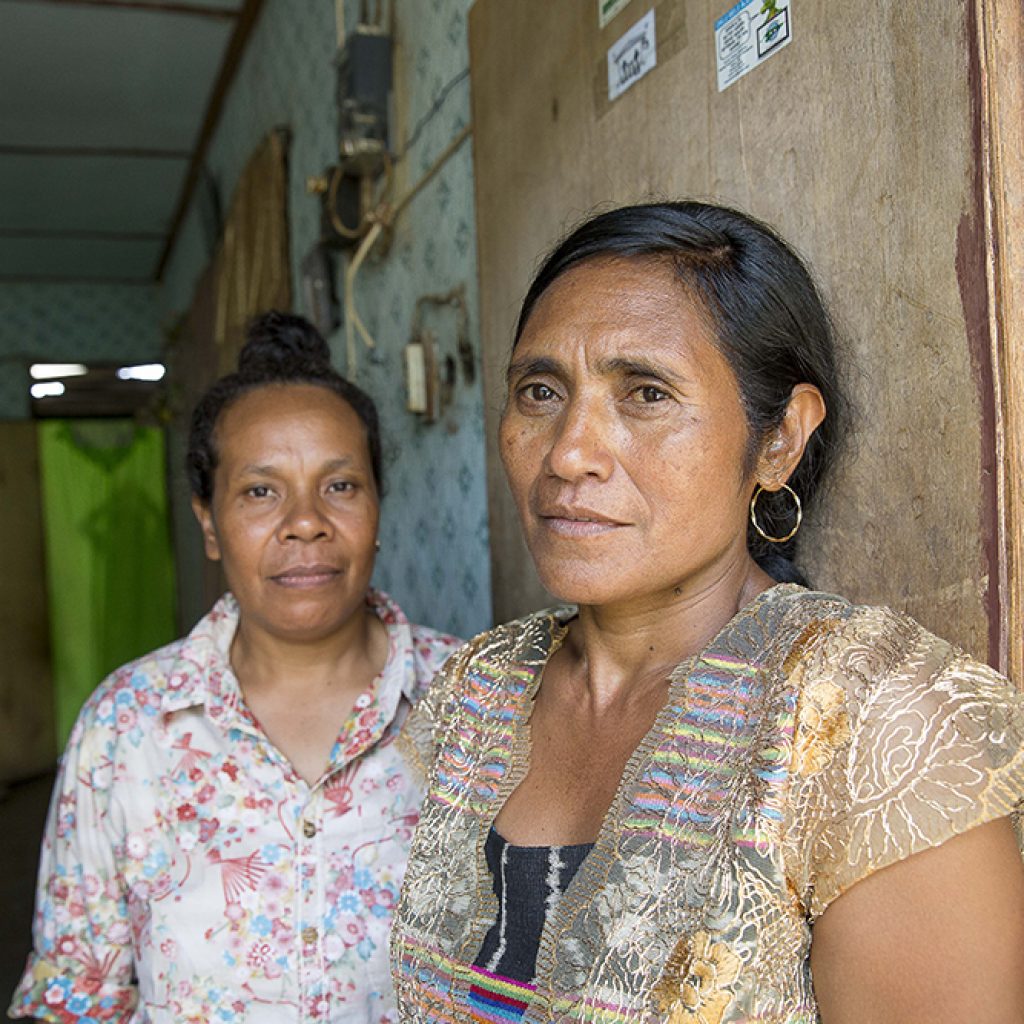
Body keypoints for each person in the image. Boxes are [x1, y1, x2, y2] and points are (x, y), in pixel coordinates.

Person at [390, 202, 1024, 1023]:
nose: (569, 452)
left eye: (646, 393)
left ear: (779, 442)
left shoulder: (871, 724)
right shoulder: (480, 690)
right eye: (540, 390)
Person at [11, 312, 462, 1024]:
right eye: (260, 491)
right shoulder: (127, 726)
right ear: (210, 524)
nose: (305, 520)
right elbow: (74, 993)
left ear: (378, 507)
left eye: (340, 485)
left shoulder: (477, 703)